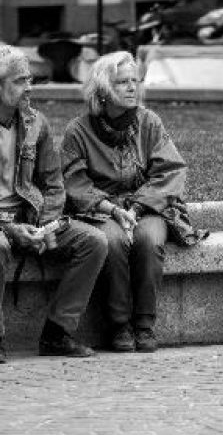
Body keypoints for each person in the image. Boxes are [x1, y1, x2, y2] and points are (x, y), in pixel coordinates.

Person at [61, 51, 207, 353]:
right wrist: (112, 209)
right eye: (122, 82)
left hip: (147, 205)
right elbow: (74, 182)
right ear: (103, 91)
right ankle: (118, 325)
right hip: (101, 210)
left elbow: (171, 170)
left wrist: (137, 207)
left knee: (149, 239)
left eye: (134, 81)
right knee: (112, 242)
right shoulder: (78, 130)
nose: (132, 88)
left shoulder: (149, 122)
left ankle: (144, 324)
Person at [0, 45, 108, 362]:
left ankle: (57, 333)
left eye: (30, 79)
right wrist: (8, 228)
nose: (29, 88)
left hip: (29, 215)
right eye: (20, 81)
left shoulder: (37, 123)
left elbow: (53, 182)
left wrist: (45, 226)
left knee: (94, 241)